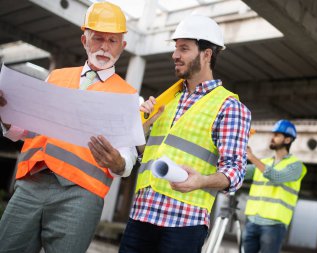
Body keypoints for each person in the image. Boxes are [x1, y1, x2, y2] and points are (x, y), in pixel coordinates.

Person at [0, 2, 138, 253]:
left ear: (123, 46)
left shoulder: (127, 96)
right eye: (98, 38)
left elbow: (128, 157)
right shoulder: (56, 76)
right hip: (31, 184)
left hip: (80, 196)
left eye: (112, 40)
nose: (105, 47)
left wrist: (118, 162)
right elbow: (30, 130)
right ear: (84, 39)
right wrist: (8, 117)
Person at [118, 14, 251, 253]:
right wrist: (143, 128)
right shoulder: (167, 100)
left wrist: (201, 181)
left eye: (184, 48)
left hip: (183, 223)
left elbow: (235, 172)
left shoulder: (229, 107)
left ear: (206, 54)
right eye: (175, 48)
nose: (175, 55)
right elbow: (146, 156)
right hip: (141, 215)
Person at [243, 120, 307, 253]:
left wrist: (252, 157)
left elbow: (277, 177)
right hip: (252, 221)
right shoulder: (264, 162)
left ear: (287, 139)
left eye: (277, 135)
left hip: (273, 225)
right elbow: (241, 172)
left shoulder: (296, 166)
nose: (272, 138)